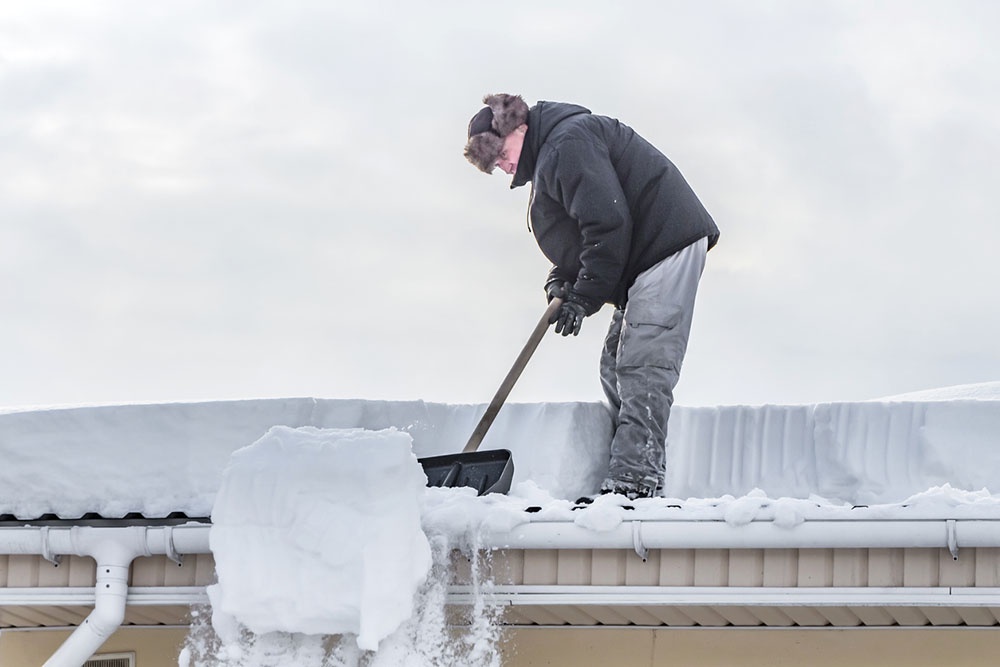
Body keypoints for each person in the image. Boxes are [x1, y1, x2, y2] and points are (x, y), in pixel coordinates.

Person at [464, 93, 720, 500]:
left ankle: (635, 484)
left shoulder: (568, 144)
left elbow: (608, 223)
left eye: (500, 153)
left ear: (519, 128)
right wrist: (561, 282)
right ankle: (637, 467)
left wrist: (584, 297)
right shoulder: (553, 157)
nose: (501, 165)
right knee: (613, 365)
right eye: (492, 163)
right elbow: (582, 237)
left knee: (642, 365)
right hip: (641, 259)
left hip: (664, 245)